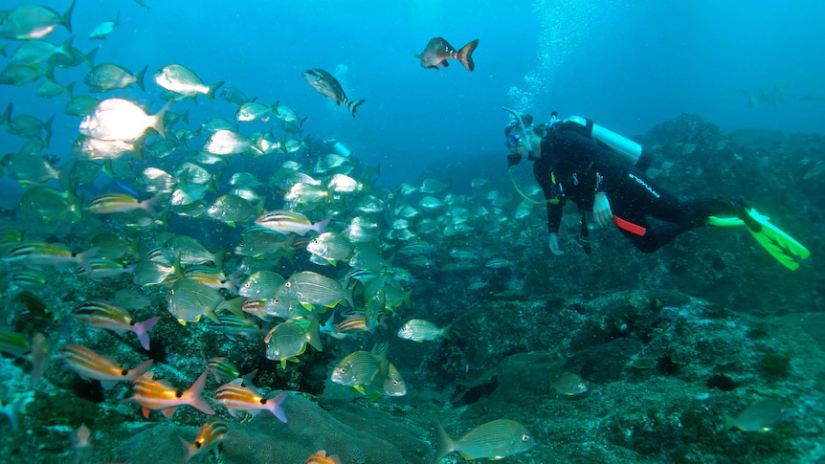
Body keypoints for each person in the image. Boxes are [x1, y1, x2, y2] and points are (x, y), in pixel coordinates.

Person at [504, 112, 810, 270]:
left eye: (515, 137)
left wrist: (599, 194)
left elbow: (604, 159)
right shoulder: (540, 168)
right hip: (613, 204)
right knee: (647, 244)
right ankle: (699, 218)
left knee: (676, 211)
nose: (513, 146)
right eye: (509, 142)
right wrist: (552, 232)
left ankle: (734, 204)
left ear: (528, 131)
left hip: (624, 182)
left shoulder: (563, 140)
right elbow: (553, 200)